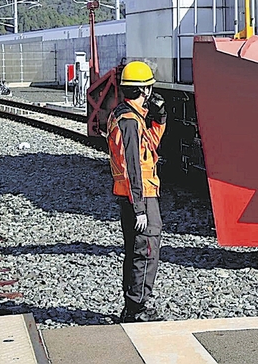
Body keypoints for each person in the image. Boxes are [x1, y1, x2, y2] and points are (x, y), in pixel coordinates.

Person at [107, 61, 167, 322]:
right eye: (150, 89)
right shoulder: (130, 122)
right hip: (139, 195)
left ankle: (133, 304)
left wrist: (159, 119)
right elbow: (132, 166)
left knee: (136, 250)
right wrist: (140, 207)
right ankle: (137, 308)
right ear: (144, 90)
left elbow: (150, 147)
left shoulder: (128, 116)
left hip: (132, 194)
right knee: (146, 249)